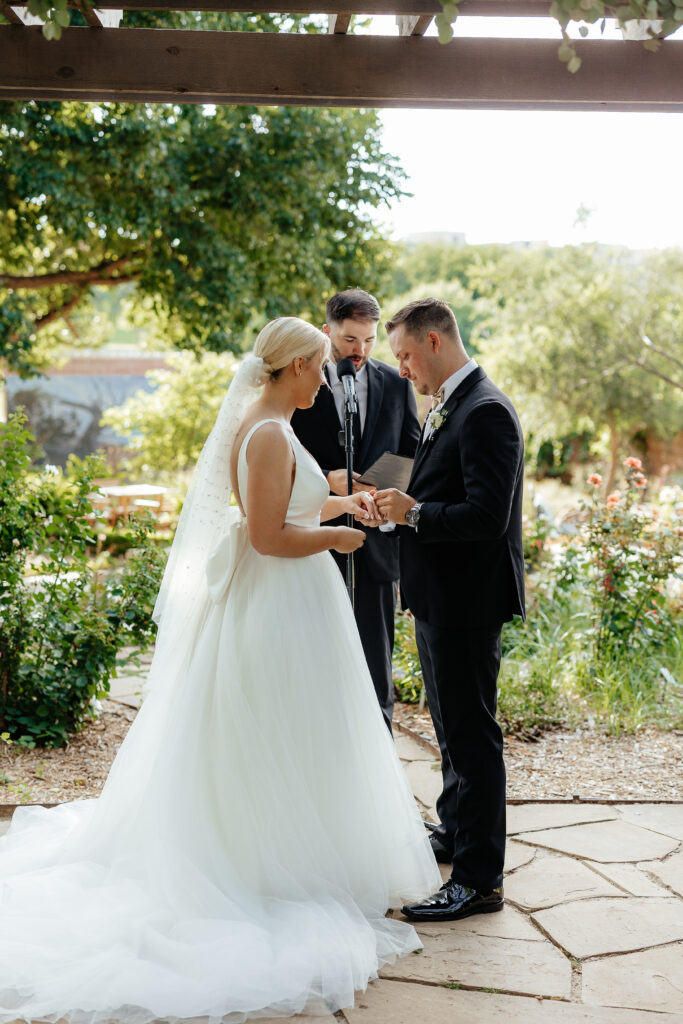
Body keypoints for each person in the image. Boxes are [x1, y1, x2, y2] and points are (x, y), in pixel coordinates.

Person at [0, 317, 440, 1024]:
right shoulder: (266, 432)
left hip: (291, 599)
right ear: (294, 366)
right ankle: (266, 868)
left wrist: (340, 501)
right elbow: (269, 536)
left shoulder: (268, 425)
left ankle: (301, 854)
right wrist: (339, 535)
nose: (326, 380)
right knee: (275, 736)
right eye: (321, 367)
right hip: (280, 604)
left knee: (296, 737)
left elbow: (284, 505)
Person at [374, 298, 525, 923]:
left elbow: (487, 520)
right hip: (439, 597)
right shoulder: (452, 404)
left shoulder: (486, 411)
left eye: (406, 355)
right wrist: (399, 499)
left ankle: (478, 880)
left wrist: (411, 512)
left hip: (467, 602)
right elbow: (446, 491)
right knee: (449, 731)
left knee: (471, 737)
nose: (403, 370)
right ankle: (455, 830)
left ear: (434, 342)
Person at [292, 290, 420, 729]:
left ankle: (377, 758)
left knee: (374, 667)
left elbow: (412, 451)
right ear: (326, 332)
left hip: (377, 547)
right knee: (315, 660)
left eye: (368, 341)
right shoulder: (300, 384)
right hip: (313, 544)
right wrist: (329, 479)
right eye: (350, 340)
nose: (360, 351)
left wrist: (385, 496)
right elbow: (285, 456)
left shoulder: (397, 384)